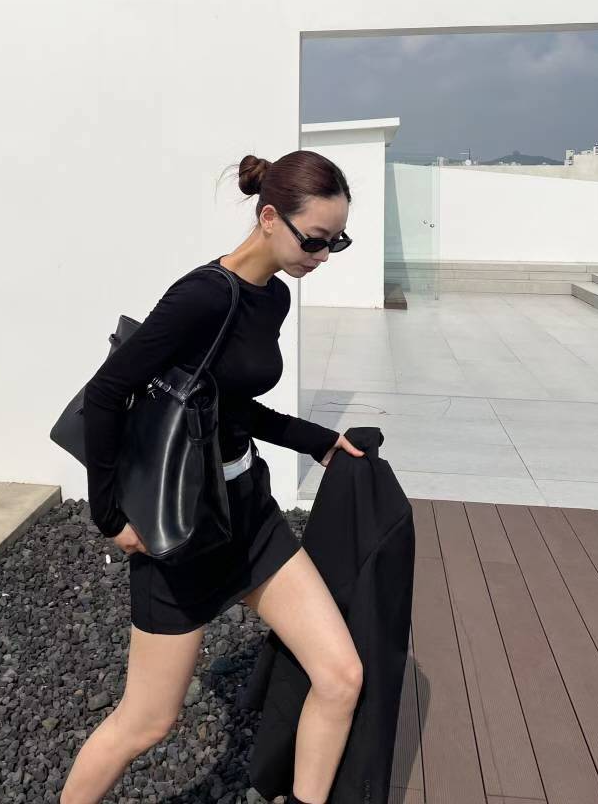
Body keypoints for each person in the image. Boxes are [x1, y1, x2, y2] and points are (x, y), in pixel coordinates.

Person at [60, 150, 366, 804]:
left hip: (250, 517)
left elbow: (230, 404)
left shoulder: (273, 296)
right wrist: (108, 515)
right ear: (269, 218)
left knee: (341, 676)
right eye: (316, 239)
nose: (324, 255)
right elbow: (107, 393)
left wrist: (316, 441)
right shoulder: (200, 297)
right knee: (147, 723)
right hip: (182, 531)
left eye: (337, 241)